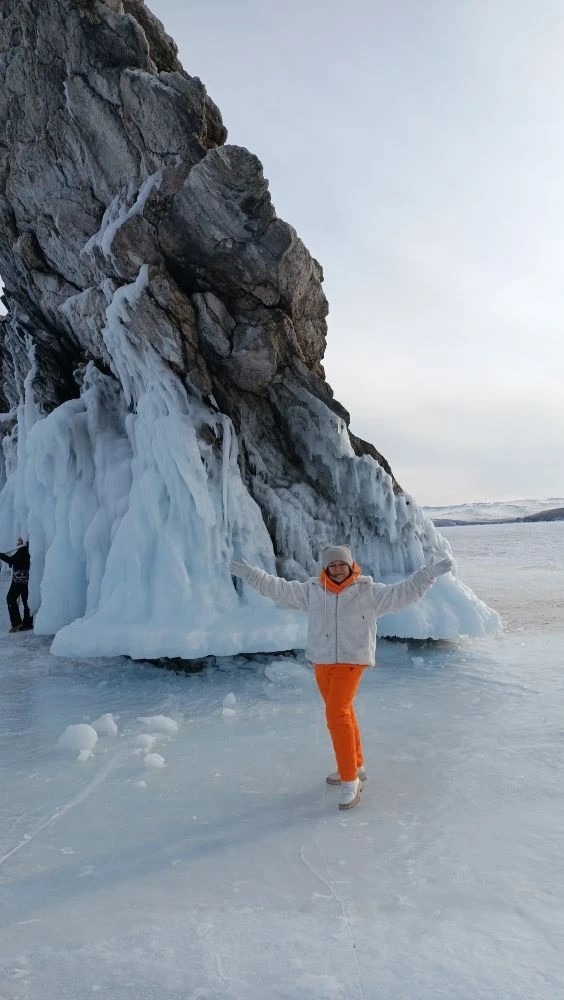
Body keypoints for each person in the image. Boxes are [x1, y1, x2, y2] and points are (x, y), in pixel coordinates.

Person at [230, 544, 453, 811]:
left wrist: (427, 574)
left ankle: (350, 780)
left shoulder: (367, 591)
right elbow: (279, 588)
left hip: (351, 661)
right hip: (322, 661)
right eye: (332, 565)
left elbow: (403, 593)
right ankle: (356, 765)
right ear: (326, 568)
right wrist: (253, 575)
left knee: (336, 714)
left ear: (350, 566)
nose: (337, 569)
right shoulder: (313, 591)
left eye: (341, 564)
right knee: (343, 712)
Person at [0, 537, 33, 633]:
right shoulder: (28, 549)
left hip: (19, 580)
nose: (18, 542)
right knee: (26, 601)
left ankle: (16, 622)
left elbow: (12, 560)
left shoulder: (23, 550)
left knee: (10, 598)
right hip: (26, 580)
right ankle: (27, 623)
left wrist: (1, 555)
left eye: (19, 540)